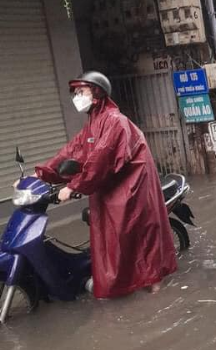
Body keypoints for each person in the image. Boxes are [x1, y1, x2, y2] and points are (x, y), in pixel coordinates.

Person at [35, 71, 177, 299]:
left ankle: (154, 288)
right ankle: (122, 284)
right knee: (112, 243)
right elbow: (72, 152)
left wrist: (73, 187)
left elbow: (100, 159)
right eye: (75, 93)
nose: (76, 98)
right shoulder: (93, 124)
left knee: (136, 237)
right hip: (110, 189)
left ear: (97, 93)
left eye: (81, 92)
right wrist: (40, 175)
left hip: (132, 189)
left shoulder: (115, 121)